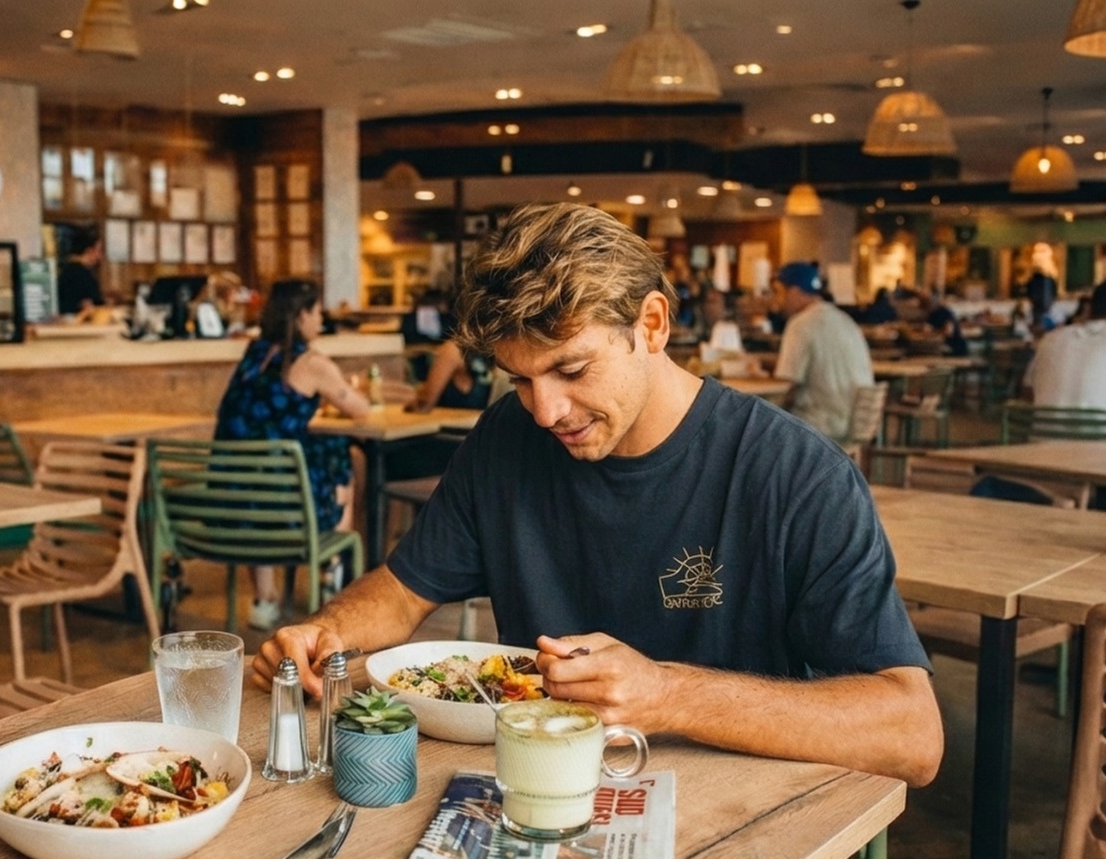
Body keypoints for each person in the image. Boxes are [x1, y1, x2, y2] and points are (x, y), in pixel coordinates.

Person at [254, 204, 943, 805]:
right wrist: (328, 631)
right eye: (520, 379)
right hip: (535, 799)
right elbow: (403, 594)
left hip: (743, 822)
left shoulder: (794, 474)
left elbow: (913, 733)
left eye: (572, 369)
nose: (547, 410)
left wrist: (668, 695)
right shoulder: (507, 438)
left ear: (651, 323)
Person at [213, 278, 371, 629]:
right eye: (316, 312)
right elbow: (359, 409)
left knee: (268, 474)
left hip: (233, 499)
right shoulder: (311, 361)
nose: (321, 320)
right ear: (300, 316)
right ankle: (331, 574)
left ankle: (264, 599)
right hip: (287, 502)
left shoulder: (254, 354)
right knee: (344, 455)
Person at [1026, 277, 1106, 444]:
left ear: (1090, 308)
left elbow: (1029, 392)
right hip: (1105, 457)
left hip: (1039, 452)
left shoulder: (1051, 339)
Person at [772, 262, 876, 440]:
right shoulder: (844, 319)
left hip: (821, 424)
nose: (777, 301)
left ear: (795, 292)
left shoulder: (800, 324)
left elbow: (787, 384)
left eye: (779, 292)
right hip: (857, 421)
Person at [56, 225, 105, 315]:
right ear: (89, 251)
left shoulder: (66, 270)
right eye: (99, 251)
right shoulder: (81, 274)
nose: (100, 256)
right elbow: (95, 302)